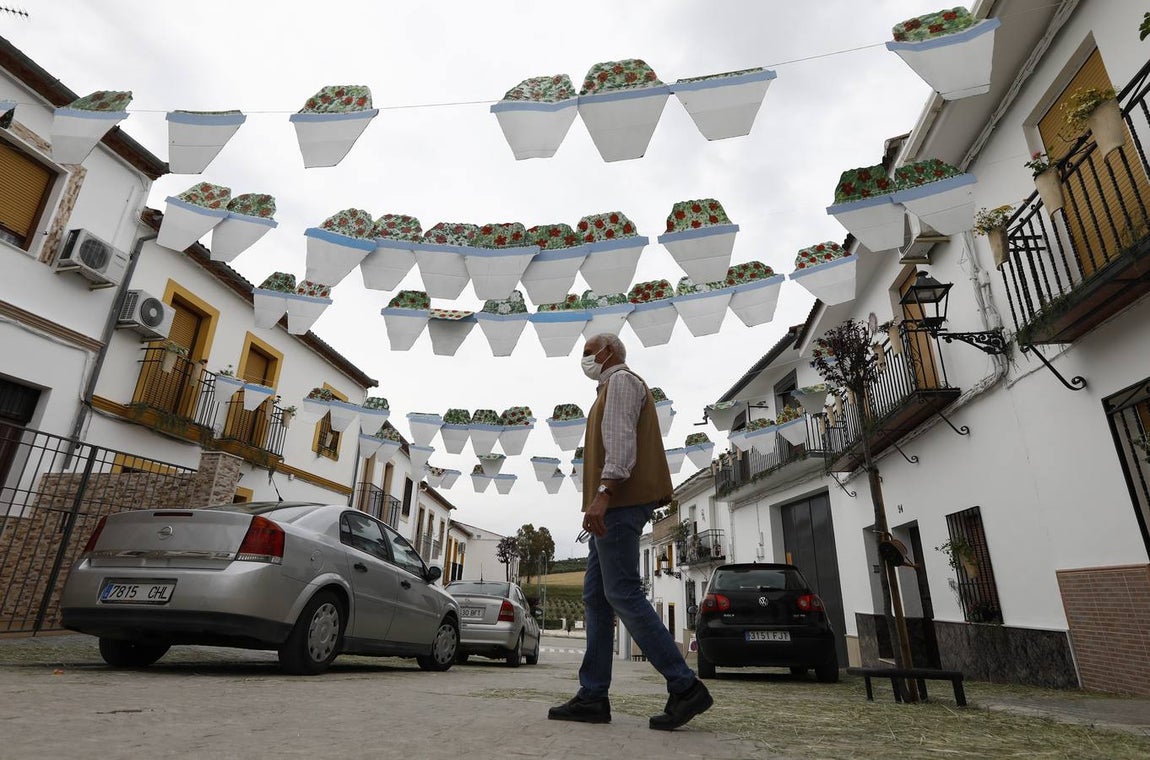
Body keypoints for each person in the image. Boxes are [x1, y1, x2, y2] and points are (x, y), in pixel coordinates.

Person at [548, 333, 713, 731]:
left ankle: (685, 685)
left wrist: (603, 494)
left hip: (618, 504)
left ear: (607, 352)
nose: (585, 358)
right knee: (597, 598)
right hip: (612, 507)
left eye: (588, 351)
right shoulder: (609, 388)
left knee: (621, 592)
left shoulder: (621, 382)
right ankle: (592, 696)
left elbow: (620, 445)